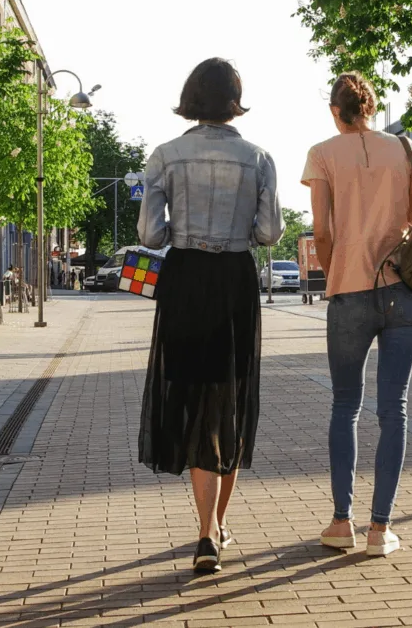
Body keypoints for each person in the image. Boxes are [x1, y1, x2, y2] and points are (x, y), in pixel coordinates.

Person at [137, 58, 284, 574]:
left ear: (192, 100)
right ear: (233, 103)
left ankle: (204, 531)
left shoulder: (165, 156)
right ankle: (215, 528)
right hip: (233, 282)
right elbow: (269, 233)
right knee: (230, 397)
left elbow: (151, 237)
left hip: (185, 280)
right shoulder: (259, 157)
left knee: (194, 394)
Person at [302, 72, 412, 558]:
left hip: (349, 292)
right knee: (393, 409)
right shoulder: (401, 149)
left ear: (336, 110)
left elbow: (322, 230)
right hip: (402, 289)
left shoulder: (321, 154)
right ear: (370, 108)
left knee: (344, 406)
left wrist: (339, 272)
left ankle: (342, 523)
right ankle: (381, 529)